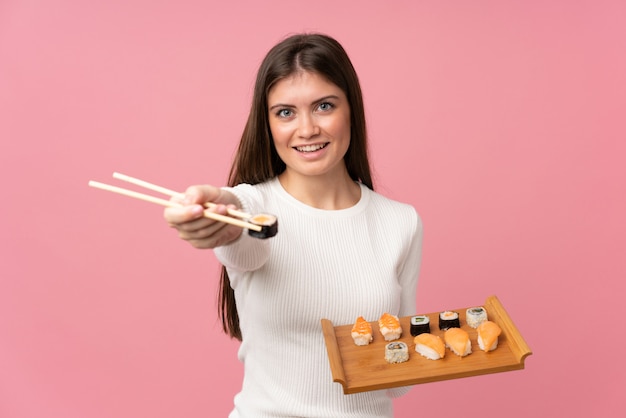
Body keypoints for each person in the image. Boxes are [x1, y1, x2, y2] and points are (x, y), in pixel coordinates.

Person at [164, 33, 423, 418]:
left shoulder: (401, 222)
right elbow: (236, 215)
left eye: (323, 106)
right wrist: (216, 208)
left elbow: (398, 377)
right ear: (267, 123)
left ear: (351, 109)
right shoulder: (255, 207)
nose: (306, 129)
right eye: (285, 112)